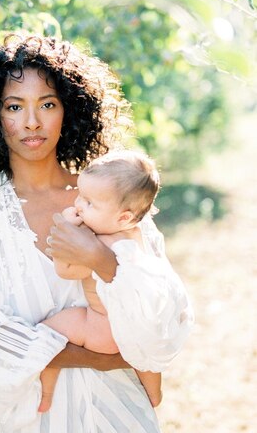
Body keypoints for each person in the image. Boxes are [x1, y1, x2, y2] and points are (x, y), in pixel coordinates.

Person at [0, 33, 194, 433]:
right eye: (14, 106)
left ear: (70, 109)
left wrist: (100, 259)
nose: (32, 122)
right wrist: (98, 357)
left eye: (48, 103)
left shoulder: (111, 198)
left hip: (126, 412)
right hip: (41, 420)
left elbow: (165, 305)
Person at [39, 149, 188, 413]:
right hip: (134, 328)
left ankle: (45, 392)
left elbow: (66, 271)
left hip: (101, 327)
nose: (78, 205)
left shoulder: (100, 243)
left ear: (123, 217)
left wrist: (67, 231)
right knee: (146, 356)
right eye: (81, 196)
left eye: (89, 203)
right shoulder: (134, 236)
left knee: (47, 335)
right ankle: (154, 392)